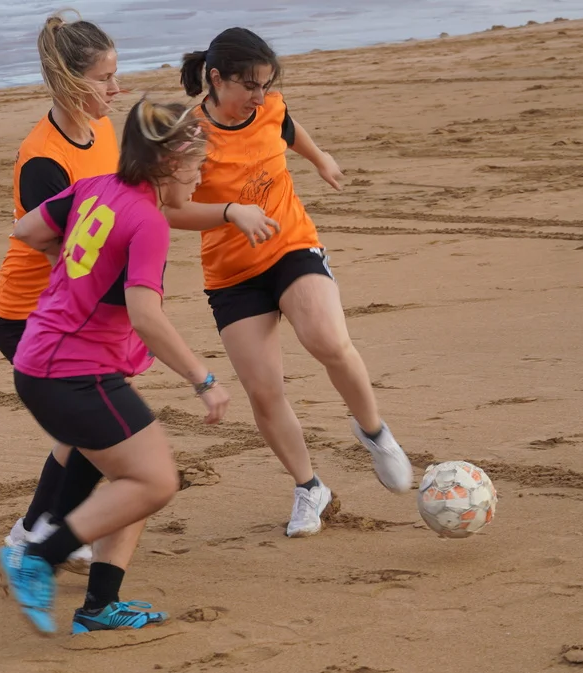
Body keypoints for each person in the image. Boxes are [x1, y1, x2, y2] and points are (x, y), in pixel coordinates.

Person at [165, 28, 414, 539]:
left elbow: (288, 128)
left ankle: (374, 431)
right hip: (233, 274)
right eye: (249, 86)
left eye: (265, 85)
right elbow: (172, 209)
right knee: (263, 390)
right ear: (217, 78)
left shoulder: (271, 107)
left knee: (327, 340)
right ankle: (309, 488)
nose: (259, 96)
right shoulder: (189, 135)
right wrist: (230, 212)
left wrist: (320, 159)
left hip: (291, 245)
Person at [0, 100, 230, 635]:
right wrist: (203, 379)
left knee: (135, 474)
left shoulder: (95, 186)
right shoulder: (148, 220)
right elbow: (145, 316)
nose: (199, 180)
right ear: (170, 163)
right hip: (72, 371)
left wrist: (74, 270)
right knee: (155, 480)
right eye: (196, 168)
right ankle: (40, 555)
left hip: (43, 360)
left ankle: (99, 605)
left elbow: (28, 230)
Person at [0, 11, 122, 573]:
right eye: (104, 79)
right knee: (97, 426)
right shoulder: (43, 158)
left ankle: (39, 527)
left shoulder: (103, 130)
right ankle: (37, 530)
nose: (116, 89)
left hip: (77, 307)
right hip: (29, 315)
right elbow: (62, 258)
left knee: (86, 428)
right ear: (69, 81)